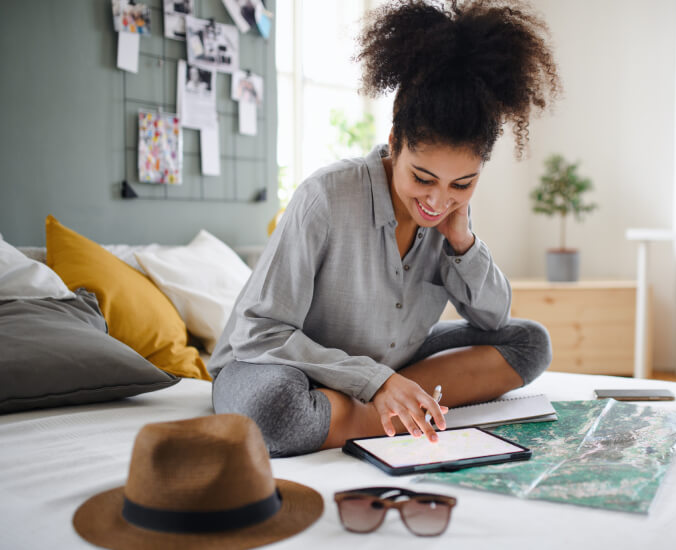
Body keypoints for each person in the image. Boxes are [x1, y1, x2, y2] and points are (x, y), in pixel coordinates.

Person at [209, 0, 562, 457]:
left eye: (463, 182)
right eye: (422, 177)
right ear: (395, 140)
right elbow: (260, 333)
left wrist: (462, 241)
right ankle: (388, 409)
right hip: (282, 363)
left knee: (530, 341)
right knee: (275, 411)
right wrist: (377, 381)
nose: (437, 201)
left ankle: (372, 405)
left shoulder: (448, 213)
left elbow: (493, 319)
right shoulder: (326, 196)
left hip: (390, 358)